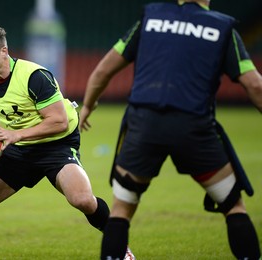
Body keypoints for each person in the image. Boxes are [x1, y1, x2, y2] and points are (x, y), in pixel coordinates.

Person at [79, 0, 262, 259]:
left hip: (144, 126)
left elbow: (102, 70)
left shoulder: (151, 18)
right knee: (233, 205)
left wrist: (88, 104)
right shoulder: (222, 27)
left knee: (121, 210)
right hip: (194, 129)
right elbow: (255, 86)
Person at [0, 25, 113, 259]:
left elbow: (59, 121)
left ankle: (119, 247)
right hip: (20, 149)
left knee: (81, 200)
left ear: (3, 51)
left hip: (56, 145)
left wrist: (17, 135)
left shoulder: (34, 76)